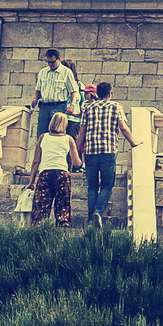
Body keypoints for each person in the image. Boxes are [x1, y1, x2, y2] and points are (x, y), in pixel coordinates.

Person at [75, 81, 139, 228]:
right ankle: (98, 211)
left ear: (97, 93)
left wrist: (78, 151)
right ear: (110, 93)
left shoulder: (88, 108)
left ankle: (91, 220)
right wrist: (133, 142)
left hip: (90, 151)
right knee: (106, 186)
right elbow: (123, 128)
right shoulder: (116, 106)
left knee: (92, 186)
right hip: (108, 151)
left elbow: (82, 132)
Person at [28, 112, 82, 227]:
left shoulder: (43, 137)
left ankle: (38, 233)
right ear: (65, 124)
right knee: (63, 208)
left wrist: (31, 182)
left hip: (45, 174)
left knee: (40, 209)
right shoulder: (69, 139)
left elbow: (36, 162)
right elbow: (77, 163)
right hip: (62, 174)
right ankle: (61, 233)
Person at [31, 49, 79, 140]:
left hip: (59, 106)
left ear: (59, 59)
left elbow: (73, 91)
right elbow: (38, 89)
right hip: (44, 107)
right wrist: (35, 99)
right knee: (41, 134)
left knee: (57, 133)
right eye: (48, 62)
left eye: (53, 62)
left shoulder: (66, 72)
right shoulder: (43, 72)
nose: (50, 64)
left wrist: (72, 105)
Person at [62, 59, 85, 142]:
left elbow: (84, 103)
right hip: (60, 118)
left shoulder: (79, 85)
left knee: (71, 142)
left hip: (74, 120)